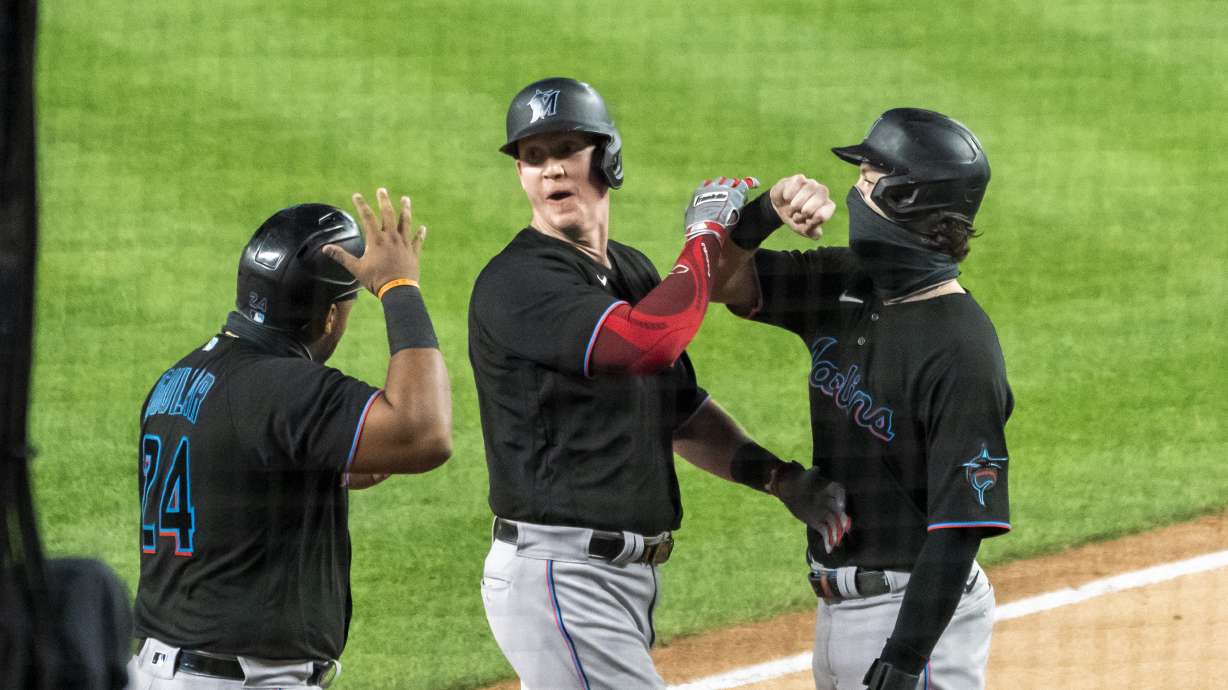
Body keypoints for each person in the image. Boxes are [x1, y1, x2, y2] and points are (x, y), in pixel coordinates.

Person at [469, 76, 852, 690]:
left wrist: (780, 479)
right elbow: (647, 342)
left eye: (567, 148)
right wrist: (702, 237)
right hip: (559, 576)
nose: (549, 170)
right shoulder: (517, 282)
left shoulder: (629, 269)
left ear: (608, 158)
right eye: (533, 156)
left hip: (617, 580)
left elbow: (682, 415)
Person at [714, 108, 1012, 690]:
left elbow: (960, 528)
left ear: (906, 197)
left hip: (914, 619)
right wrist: (765, 213)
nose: (853, 190)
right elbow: (722, 284)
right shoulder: (845, 281)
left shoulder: (961, 351)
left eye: (869, 174)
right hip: (835, 610)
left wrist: (903, 660)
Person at [127, 190, 452, 689]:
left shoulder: (179, 380)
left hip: (165, 667)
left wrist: (364, 441)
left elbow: (282, 462)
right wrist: (399, 286)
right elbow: (423, 433)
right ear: (328, 315)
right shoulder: (281, 389)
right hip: (236, 679)